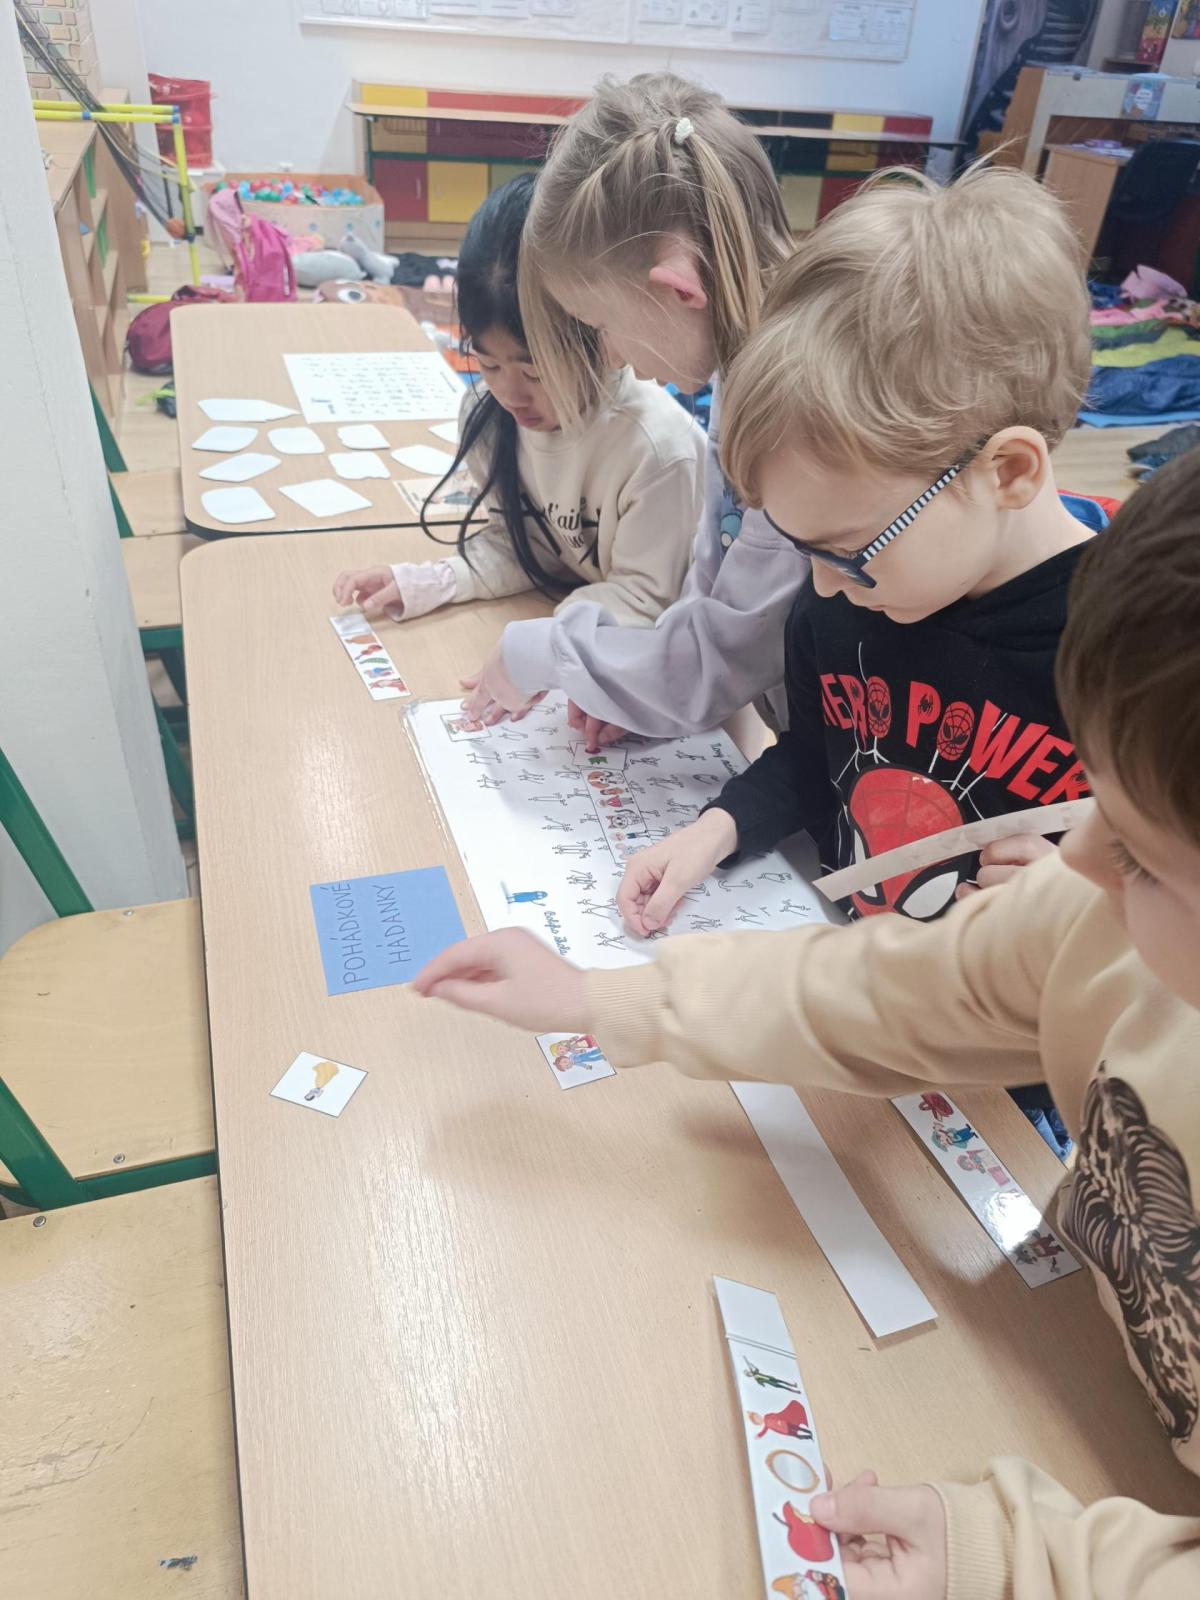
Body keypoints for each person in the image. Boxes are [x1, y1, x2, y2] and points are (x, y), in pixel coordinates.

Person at [412, 451, 1200, 1596]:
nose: (1075, 853)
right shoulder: (1099, 918)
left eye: (1140, 852)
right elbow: (905, 988)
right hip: (1083, 1377)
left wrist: (1025, 1560)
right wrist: (606, 998)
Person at [610, 161, 1103, 937]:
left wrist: (1091, 905)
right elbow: (819, 757)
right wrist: (719, 828)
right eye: (798, 544)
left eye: (848, 551)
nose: (820, 586)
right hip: (850, 971)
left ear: (1007, 471)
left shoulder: (1139, 660)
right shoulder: (843, 601)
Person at [456, 74, 805, 750]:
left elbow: (726, 654)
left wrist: (550, 654)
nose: (608, 352)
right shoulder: (743, 369)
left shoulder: (790, 415)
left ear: (677, 290)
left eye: (600, 324)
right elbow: (715, 591)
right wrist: (633, 682)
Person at [333, 175, 705, 667]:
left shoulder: (657, 450)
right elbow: (525, 549)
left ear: (603, 336)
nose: (509, 394)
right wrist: (432, 581)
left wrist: (543, 646)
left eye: (534, 371)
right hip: (584, 631)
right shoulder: (488, 418)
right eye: (488, 365)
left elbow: (647, 602)